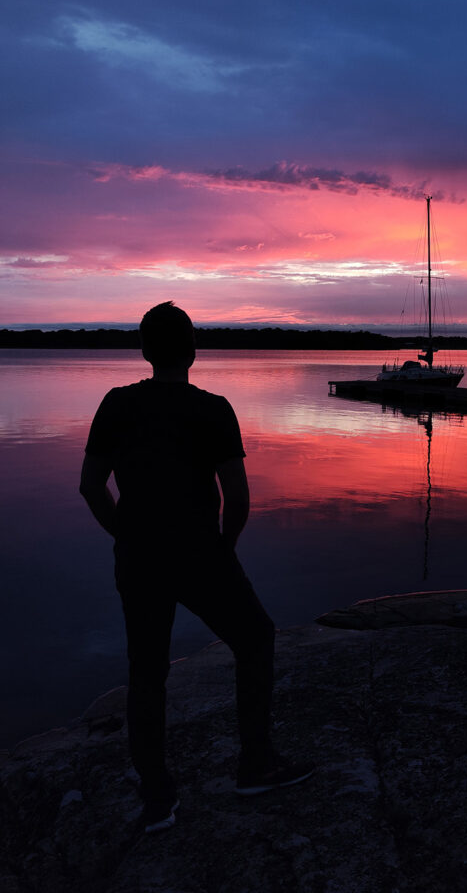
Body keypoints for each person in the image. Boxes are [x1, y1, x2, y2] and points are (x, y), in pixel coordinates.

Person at [80, 301, 313, 833]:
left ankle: (158, 798)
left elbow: (91, 487)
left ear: (144, 351)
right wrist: (224, 548)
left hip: (139, 556)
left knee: (147, 673)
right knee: (254, 638)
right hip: (199, 552)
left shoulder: (116, 404)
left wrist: (126, 534)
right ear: (192, 352)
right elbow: (238, 496)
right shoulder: (213, 408)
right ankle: (255, 764)